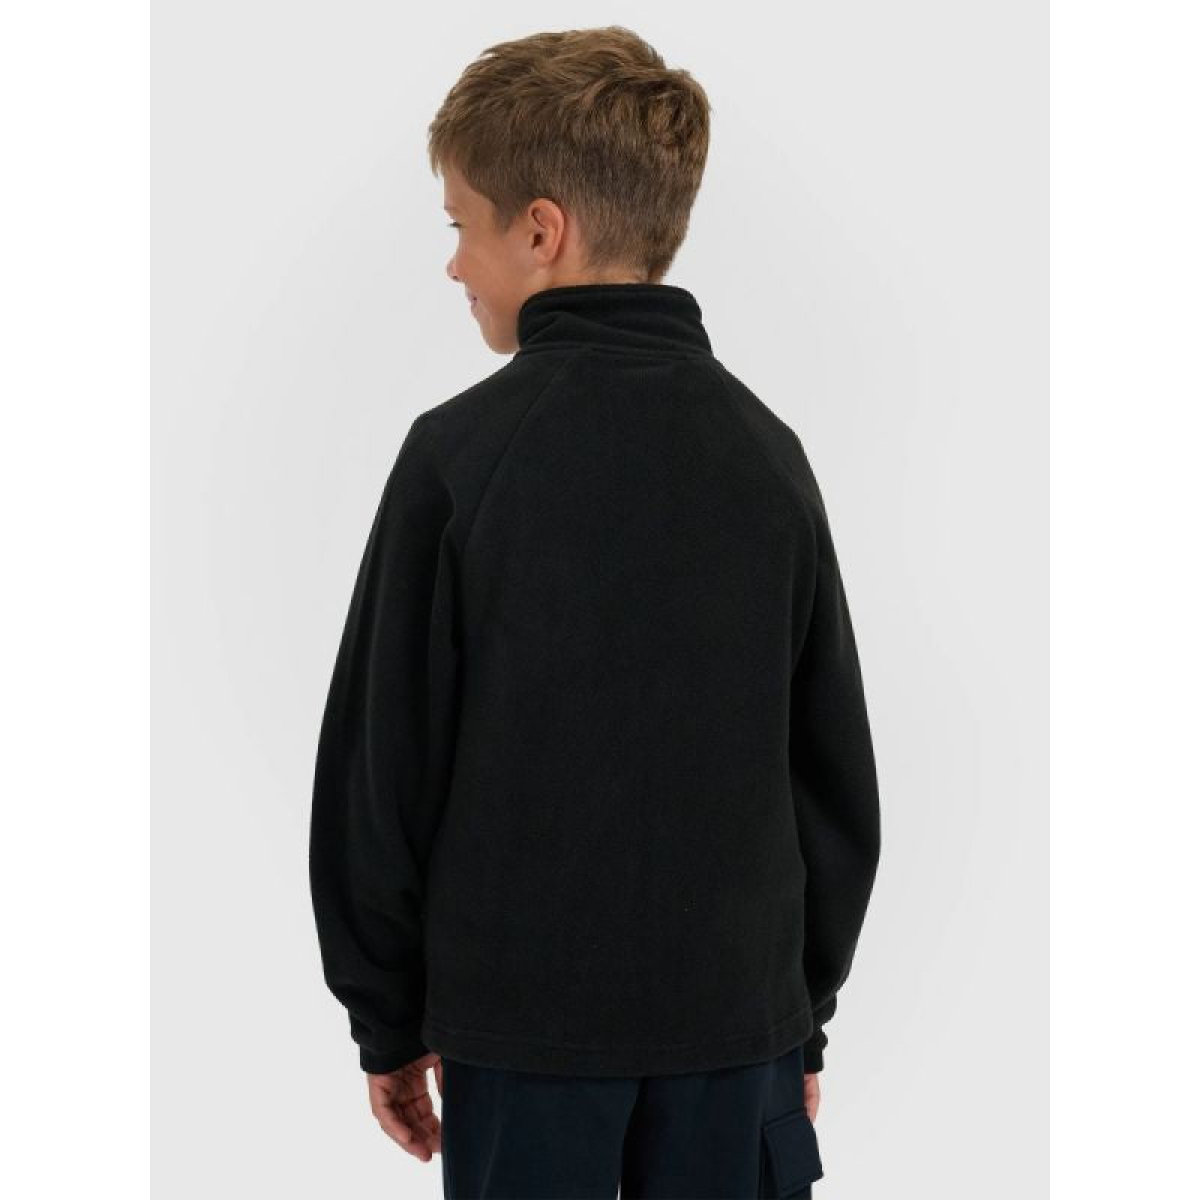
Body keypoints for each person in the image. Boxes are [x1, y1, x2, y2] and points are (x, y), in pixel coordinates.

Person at [309, 25, 881, 1199]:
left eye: (461, 226)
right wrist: (797, 1021)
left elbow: (380, 773)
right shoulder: (768, 457)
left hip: (523, 1052)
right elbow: (833, 779)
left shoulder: (459, 460)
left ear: (541, 230)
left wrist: (388, 1020)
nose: (455, 266)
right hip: (738, 1044)